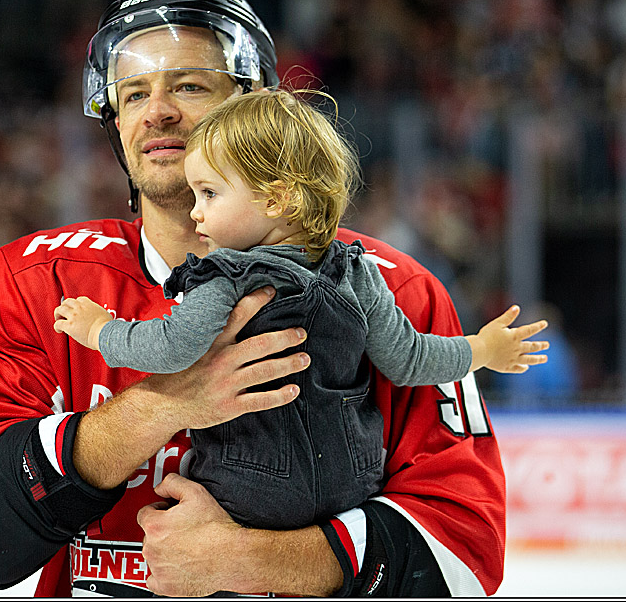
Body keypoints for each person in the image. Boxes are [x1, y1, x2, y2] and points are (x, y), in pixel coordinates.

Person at [0, 0, 510, 598]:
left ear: (257, 111)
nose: (156, 110)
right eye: (132, 94)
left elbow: (464, 554)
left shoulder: (391, 291)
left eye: (187, 85)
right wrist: (166, 403)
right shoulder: (34, 285)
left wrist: (257, 561)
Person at [52, 88, 549, 531]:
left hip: (245, 489)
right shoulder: (357, 272)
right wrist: (481, 349)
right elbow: (408, 360)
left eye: (208, 193)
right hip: (350, 488)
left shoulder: (227, 275)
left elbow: (173, 347)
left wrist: (101, 330)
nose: (195, 210)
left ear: (276, 199)